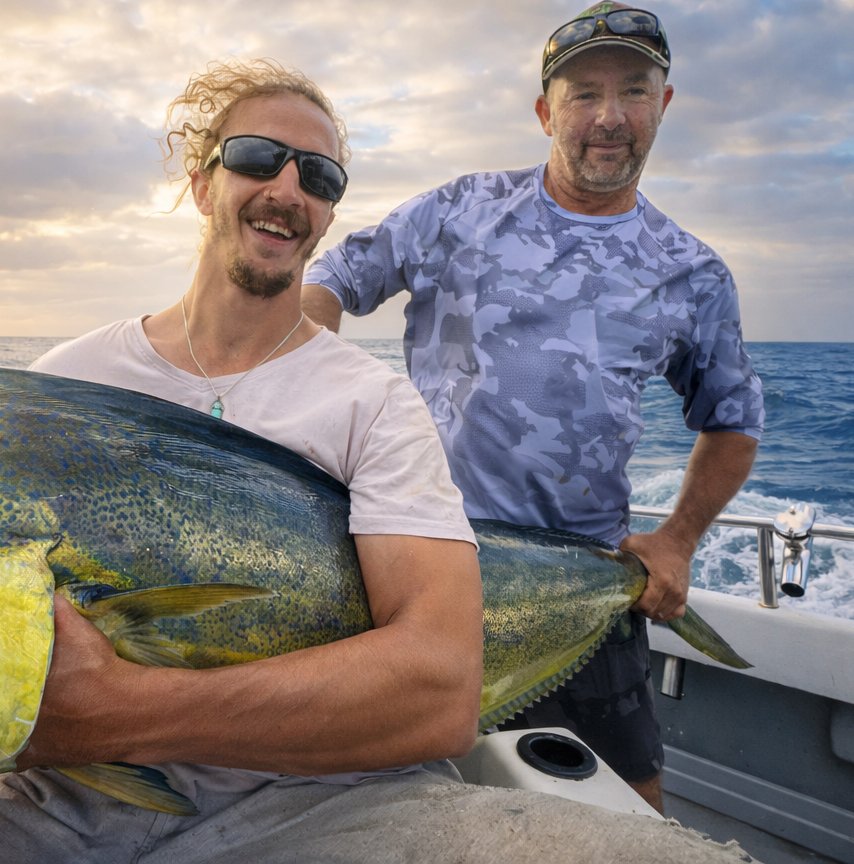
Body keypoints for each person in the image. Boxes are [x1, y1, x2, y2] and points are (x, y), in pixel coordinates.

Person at [0, 58, 756, 864]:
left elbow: (439, 691)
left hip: (338, 800)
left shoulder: (373, 403)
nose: (290, 189)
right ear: (201, 181)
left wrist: (122, 710)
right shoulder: (69, 381)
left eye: (321, 178)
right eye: (259, 158)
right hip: (63, 803)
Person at [302, 2, 764, 815]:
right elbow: (328, 282)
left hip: (580, 582)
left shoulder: (692, 272)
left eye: (634, 91)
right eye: (584, 94)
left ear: (665, 103)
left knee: (632, 811)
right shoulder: (459, 212)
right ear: (547, 111)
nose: (609, 117)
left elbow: (732, 417)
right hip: (423, 567)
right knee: (389, 801)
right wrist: (303, 409)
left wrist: (678, 540)